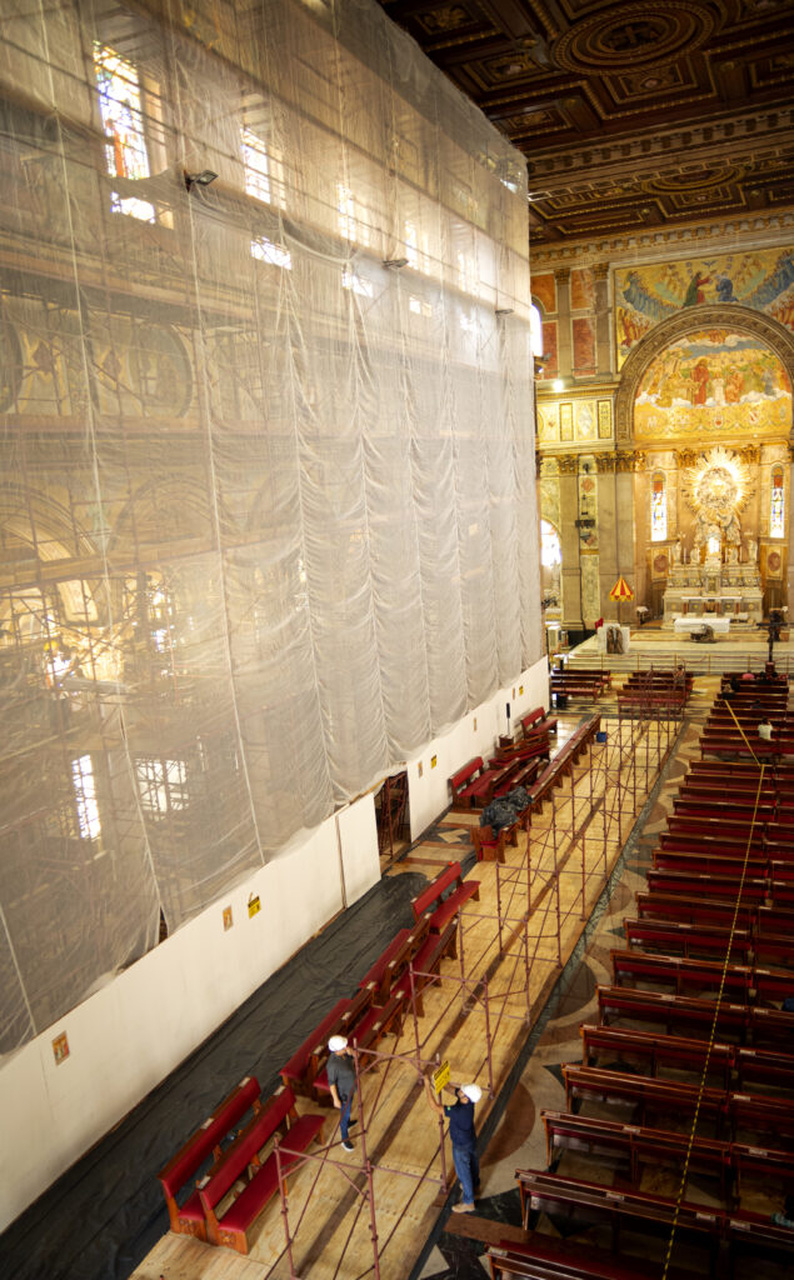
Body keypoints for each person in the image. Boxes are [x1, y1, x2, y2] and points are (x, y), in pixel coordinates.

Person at [423, 1075, 481, 1213]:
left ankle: (468, 1202)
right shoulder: (469, 1100)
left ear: (465, 1098)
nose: (460, 1090)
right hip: (470, 1139)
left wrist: (426, 1086)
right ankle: (475, 1185)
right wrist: (438, 1080)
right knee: (473, 1164)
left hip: (461, 1145)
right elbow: (450, 1088)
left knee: (463, 1172)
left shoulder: (460, 1111)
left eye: (463, 1091)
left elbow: (435, 1107)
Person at [327, 1035, 356, 1152]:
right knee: (344, 1114)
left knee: (348, 1111)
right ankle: (344, 1139)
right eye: (344, 1047)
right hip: (343, 1094)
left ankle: (348, 1122)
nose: (346, 1047)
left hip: (351, 1089)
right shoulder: (332, 1065)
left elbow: (356, 1057)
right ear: (337, 1050)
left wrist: (352, 1052)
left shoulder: (345, 1055)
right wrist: (336, 1099)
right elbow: (332, 1083)